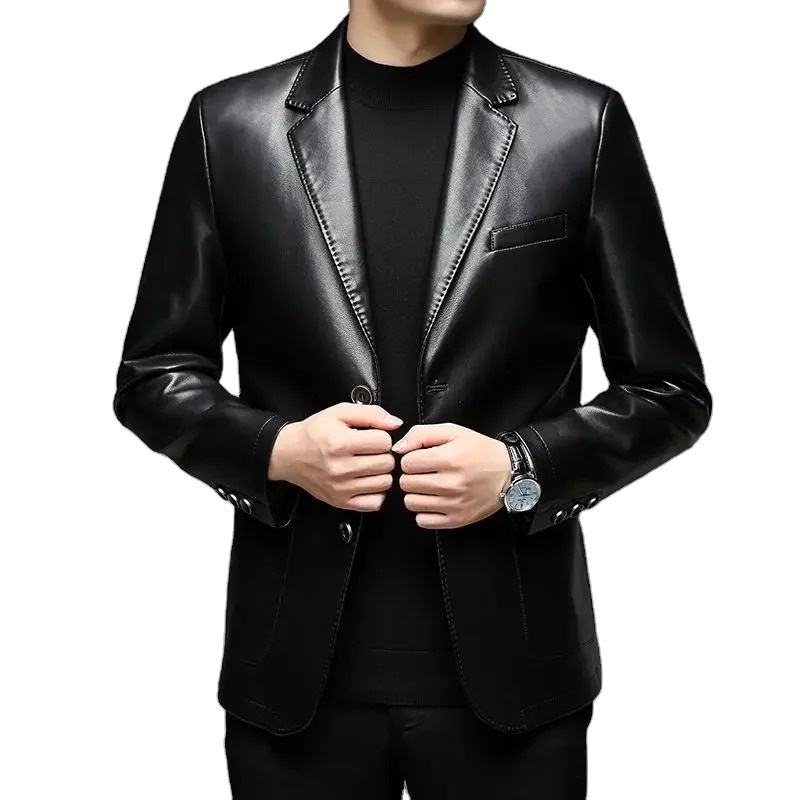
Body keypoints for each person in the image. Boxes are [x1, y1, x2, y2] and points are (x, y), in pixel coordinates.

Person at [113, 1, 712, 797]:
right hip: (294, 678)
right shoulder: (230, 126)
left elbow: (668, 390)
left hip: (517, 680)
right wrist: (279, 451)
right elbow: (153, 373)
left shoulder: (579, 124)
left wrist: (520, 468)